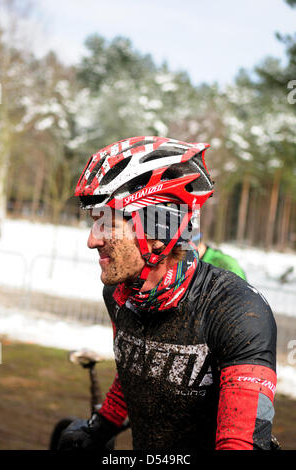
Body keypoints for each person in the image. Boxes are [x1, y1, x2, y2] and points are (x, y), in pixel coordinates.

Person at [58, 136, 277, 451]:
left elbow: (238, 443)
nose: (92, 241)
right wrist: (101, 427)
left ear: (158, 232)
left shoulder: (236, 312)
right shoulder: (119, 295)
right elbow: (139, 371)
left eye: (106, 224)